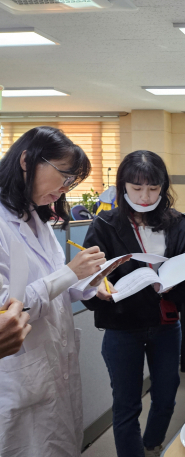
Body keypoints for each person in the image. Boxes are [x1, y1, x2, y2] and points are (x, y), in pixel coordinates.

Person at [0, 126, 126, 457]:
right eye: (64, 176)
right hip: (21, 375)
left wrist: (89, 284)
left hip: (55, 364)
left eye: (72, 181)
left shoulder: (36, 218)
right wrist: (70, 272)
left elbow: (54, 288)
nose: (66, 187)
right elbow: (7, 309)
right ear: (27, 161)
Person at [82, 150, 185, 457]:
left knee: (166, 396)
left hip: (165, 325)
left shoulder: (178, 224)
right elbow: (88, 278)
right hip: (122, 328)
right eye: (137, 188)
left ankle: (152, 445)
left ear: (163, 186)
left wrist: (173, 283)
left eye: (153, 188)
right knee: (126, 404)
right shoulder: (104, 225)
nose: (145, 196)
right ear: (123, 187)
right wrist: (98, 288)